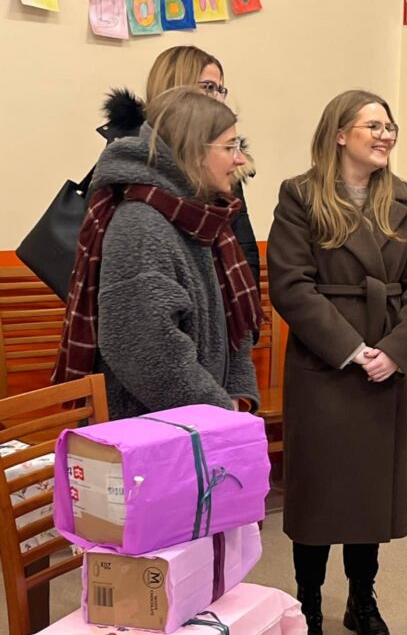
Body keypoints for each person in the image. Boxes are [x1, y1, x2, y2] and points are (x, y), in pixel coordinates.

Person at [267, 89, 407, 635]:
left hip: (386, 363)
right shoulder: (300, 195)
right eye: (373, 125)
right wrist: (351, 349)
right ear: (340, 134)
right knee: (319, 495)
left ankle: (362, 599)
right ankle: (308, 604)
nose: (386, 135)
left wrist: (394, 350)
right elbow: (291, 286)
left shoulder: (406, 198)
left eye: (390, 126)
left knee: (369, 495)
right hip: (325, 364)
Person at [53, 87, 261, 420]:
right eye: (229, 147)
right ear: (194, 152)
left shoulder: (203, 217)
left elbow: (233, 324)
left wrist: (237, 395)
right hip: (150, 430)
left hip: (198, 422)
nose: (240, 159)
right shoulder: (141, 225)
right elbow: (146, 350)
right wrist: (220, 412)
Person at [98, 45, 261, 293]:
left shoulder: (221, 164)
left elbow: (243, 247)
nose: (218, 99)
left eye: (221, 90)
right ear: (175, 87)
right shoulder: (133, 164)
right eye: (208, 87)